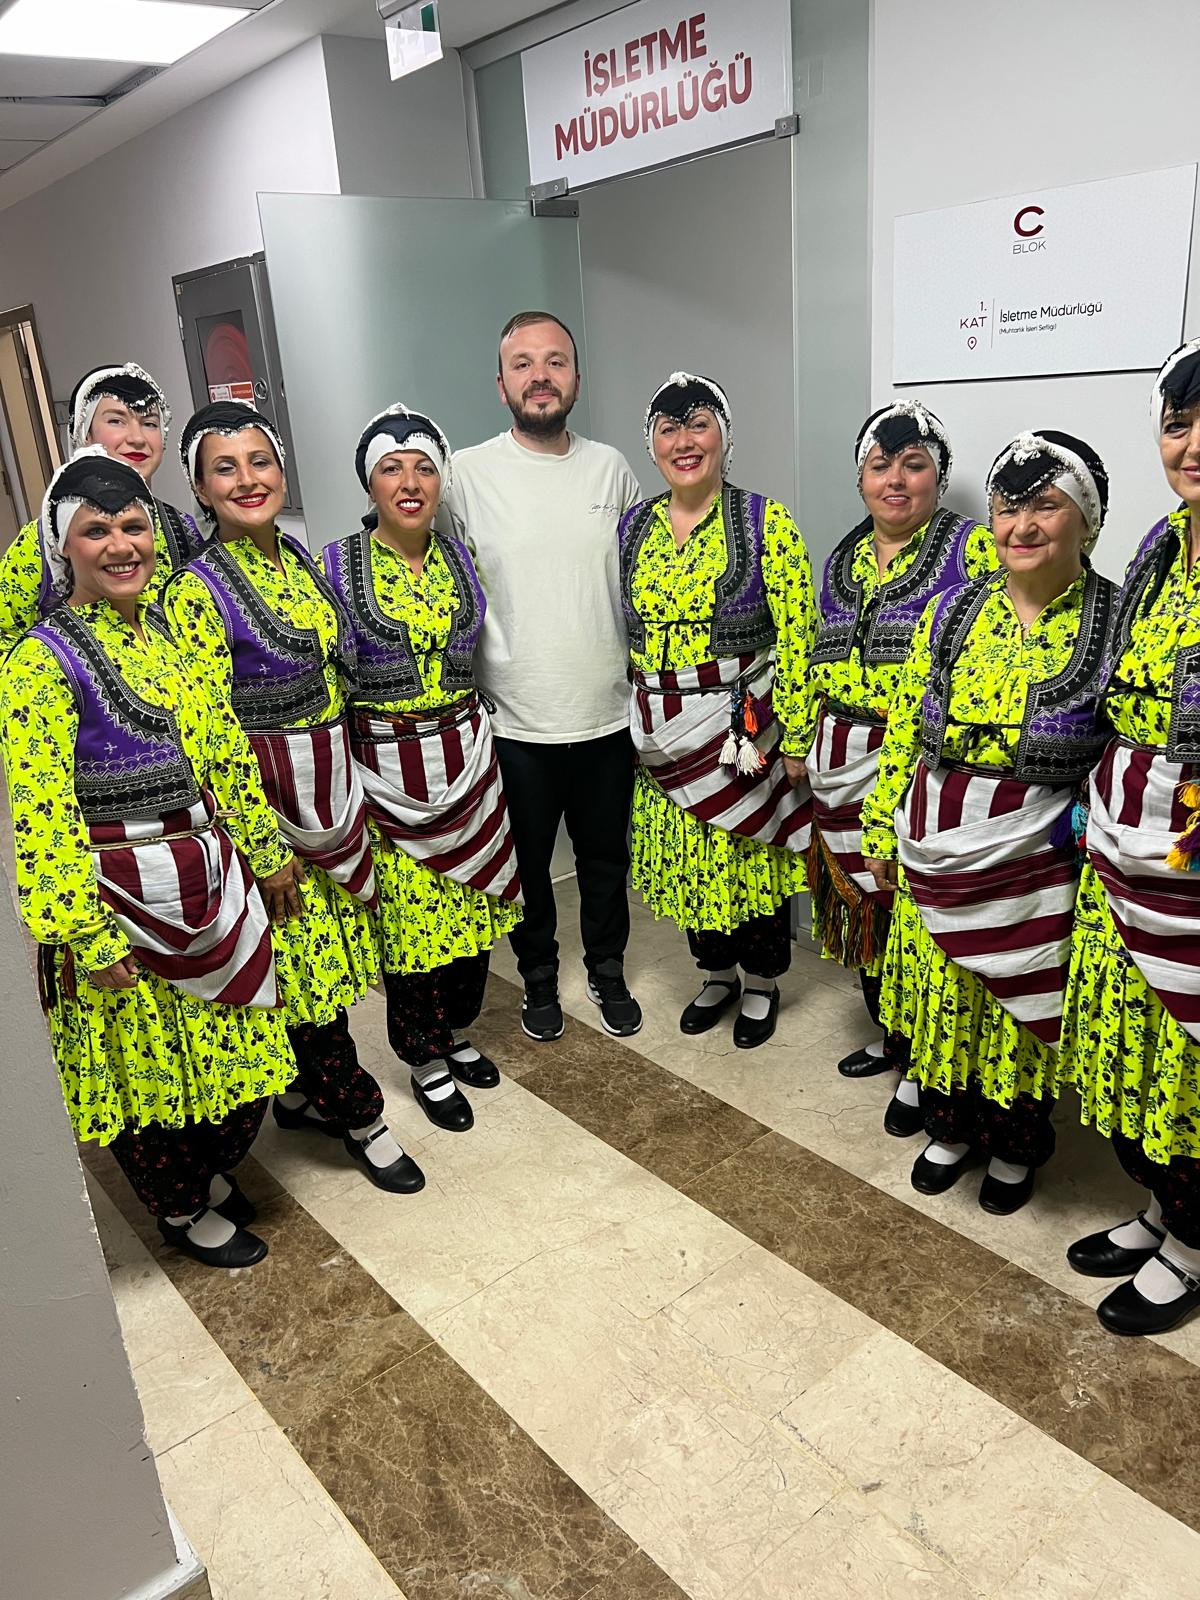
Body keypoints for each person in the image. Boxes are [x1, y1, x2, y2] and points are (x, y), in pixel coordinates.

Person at [0, 450, 298, 1267]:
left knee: (241, 1052)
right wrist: (85, 935)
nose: (122, 545)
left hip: (208, 876)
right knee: (148, 1075)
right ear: (63, 546)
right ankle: (180, 1206)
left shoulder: (168, 636)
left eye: (133, 525)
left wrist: (266, 850)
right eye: (97, 531)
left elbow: (224, 753)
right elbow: (41, 815)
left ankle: (207, 1168)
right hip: (117, 899)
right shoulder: (38, 662)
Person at [166, 401, 421, 1193]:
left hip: (330, 798)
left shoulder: (298, 558)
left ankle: (306, 1097)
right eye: (225, 468)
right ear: (199, 489)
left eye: (260, 462)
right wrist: (265, 850)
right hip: (271, 814)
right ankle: (361, 1117)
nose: (248, 480)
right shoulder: (195, 592)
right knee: (304, 977)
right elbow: (211, 735)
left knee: (327, 971)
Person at [860, 430, 1116, 1215]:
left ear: (1087, 520)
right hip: (936, 848)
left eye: (1046, 506)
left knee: (1016, 1007)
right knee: (945, 997)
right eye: (1008, 508)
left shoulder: (1115, 622)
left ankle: (1013, 1146)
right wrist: (881, 828)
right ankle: (951, 1129)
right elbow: (906, 727)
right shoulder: (952, 611)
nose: (1021, 526)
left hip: (1037, 863)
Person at [441, 311, 642, 1042]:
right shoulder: (464, 475)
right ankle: (538, 981)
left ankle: (608, 971)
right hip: (514, 721)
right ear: (501, 385)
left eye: (555, 361)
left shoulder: (612, 469)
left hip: (606, 713)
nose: (540, 377)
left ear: (576, 379)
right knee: (528, 868)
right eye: (522, 364)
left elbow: (638, 586)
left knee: (604, 862)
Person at [323, 404, 522, 1131]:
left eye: (423, 468)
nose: (409, 483)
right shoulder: (334, 568)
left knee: (473, 913)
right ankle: (425, 1058)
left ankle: (457, 1031)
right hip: (388, 777)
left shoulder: (459, 558)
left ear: (441, 481)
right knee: (413, 929)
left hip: (467, 763)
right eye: (391, 469)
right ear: (369, 484)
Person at [807, 402, 994, 1136]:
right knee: (867, 912)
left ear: (938, 478)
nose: (895, 480)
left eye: (913, 465)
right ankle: (894, 1040)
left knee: (916, 922)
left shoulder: (972, 551)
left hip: (913, 768)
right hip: (837, 764)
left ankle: (926, 1066)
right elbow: (817, 654)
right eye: (880, 465)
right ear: (860, 478)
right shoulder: (844, 556)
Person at [1064, 339, 1200, 1335]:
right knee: (1139, 1039)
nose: (1191, 445)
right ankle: (1163, 1210)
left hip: (1192, 856)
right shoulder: (1161, 546)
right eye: (1178, 423)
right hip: (1126, 837)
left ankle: (1194, 1247)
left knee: (1189, 1053)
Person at [621, 372, 815, 1048]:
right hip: (660, 733)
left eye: (698, 425)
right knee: (691, 861)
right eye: (669, 429)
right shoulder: (633, 528)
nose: (684, 442)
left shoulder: (766, 521)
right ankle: (716, 974)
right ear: (652, 444)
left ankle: (761, 983)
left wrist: (797, 737)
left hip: (740, 729)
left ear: (725, 438)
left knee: (746, 857)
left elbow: (799, 634)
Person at [0, 362, 204, 648]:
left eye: (149, 423)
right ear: (84, 434)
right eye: (116, 421)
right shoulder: (43, 542)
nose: (137, 438)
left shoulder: (186, 531)